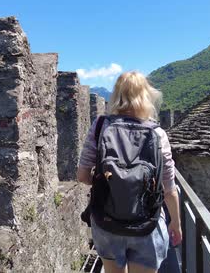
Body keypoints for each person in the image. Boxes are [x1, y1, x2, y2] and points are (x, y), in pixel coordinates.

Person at [77, 71, 182, 273]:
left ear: (115, 96)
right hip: (146, 223)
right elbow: (169, 189)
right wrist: (176, 223)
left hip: (106, 220)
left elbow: (82, 176)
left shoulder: (99, 127)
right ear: (146, 96)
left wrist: (110, 183)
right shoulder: (158, 134)